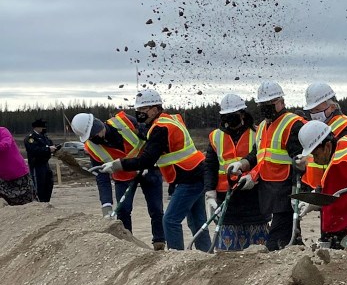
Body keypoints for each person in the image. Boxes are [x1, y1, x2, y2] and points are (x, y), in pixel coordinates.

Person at [99, 88, 211, 251]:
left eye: (143, 109)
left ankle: (177, 259)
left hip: (189, 177)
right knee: (196, 220)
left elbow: (146, 159)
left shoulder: (160, 128)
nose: (140, 113)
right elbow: (165, 151)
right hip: (195, 172)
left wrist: (118, 165)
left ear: (155, 109)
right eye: (138, 110)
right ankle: (206, 255)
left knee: (170, 220)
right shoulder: (170, 120)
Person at [228, 81, 306, 250]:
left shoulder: (293, 124)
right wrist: (242, 165)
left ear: (281, 102)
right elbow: (257, 154)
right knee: (289, 240)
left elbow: (300, 161)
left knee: (275, 242)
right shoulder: (263, 126)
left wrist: (297, 192)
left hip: (286, 192)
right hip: (269, 190)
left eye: (270, 104)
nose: (266, 108)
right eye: (262, 105)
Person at [71, 111, 166, 250]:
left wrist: (149, 161)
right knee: (123, 211)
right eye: (90, 137)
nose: (94, 138)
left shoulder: (124, 121)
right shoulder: (92, 148)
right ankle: (128, 246)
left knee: (156, 209)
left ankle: (159, 243)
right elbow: (101, 177)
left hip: (148, 168)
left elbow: (149, 136)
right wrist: (106, 205)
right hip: (123, 177)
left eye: (94, 134)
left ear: (97, 125)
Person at [203, 94, 270, 250]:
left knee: (259, 251)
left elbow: (263, 159)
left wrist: (252, 176)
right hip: (226, 198)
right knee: (227, 252)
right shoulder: (215, 136)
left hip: (253, 196)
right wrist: (209, 192)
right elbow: (210, 166)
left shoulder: (258, 133)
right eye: (226, 115)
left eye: (233, 115)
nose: (230, 119)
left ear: (243, 114)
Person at [24, 118, 58, 203]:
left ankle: (46, 202)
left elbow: (50, 144)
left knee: (48, 183)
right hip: (36, 165)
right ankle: (39, 202)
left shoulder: (45, 137)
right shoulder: (31, 138)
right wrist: (48, 149)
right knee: (39, 184)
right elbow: (34, 150)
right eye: (42, 127)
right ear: (36, 128)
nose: (44, 129)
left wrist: (55, 148)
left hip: (45, 164)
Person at [0, 126, 34, 205]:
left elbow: (5, 145)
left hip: (19, 176)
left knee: (26, 205)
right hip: (2, 179)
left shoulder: (3, 131)